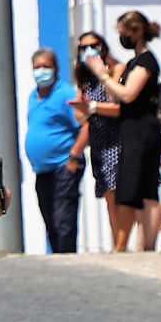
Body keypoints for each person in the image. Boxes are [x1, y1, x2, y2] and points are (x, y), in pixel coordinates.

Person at [81, 12, 161, 251]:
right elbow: (116, 93)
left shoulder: (146, 61)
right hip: (131, 130)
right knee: (135, 189)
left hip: (142, 129)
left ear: (136, 31)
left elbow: (128, 94)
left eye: (123, 32)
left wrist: (101, 73)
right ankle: (136, 243)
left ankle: (144, 244)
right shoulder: (133, 63)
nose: (121, 37)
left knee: (143, 188)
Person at [25, 48, 87, 253]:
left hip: (64, 164)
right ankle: (58, 259)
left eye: (46, 67)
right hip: (43, 170)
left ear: (56, 69)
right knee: (50, 220)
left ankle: (67, 258)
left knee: (63, 219)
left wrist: (74, 156)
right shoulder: (33, 97)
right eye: (37, 67)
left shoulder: (66, 94)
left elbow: (85, 125)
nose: (41, 71)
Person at [69, 33, 125, 250]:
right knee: (109, 194)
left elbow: (119, 106)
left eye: (94, 45)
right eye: (84, 47)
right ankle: (118, 243)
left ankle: (125, 243)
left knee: (122, 193)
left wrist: (92, 107)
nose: (89, 50)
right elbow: (80, 116)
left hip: (118, 138)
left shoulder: (115, 71)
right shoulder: (84, 78)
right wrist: (83, 108)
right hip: (99, 142)